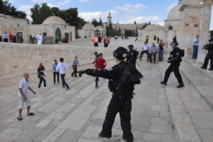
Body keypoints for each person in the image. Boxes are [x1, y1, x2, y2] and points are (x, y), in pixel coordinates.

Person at [78, 47, 142, 142]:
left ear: (116, 57)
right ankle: (128, 136)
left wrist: (86, 71)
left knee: (110, 115)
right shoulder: (131, 67)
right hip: (128, 97)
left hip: (117, 97)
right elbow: (138, 78)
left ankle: (106, 133)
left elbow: (100, 72)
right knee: (126, 118)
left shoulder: (115, 69)